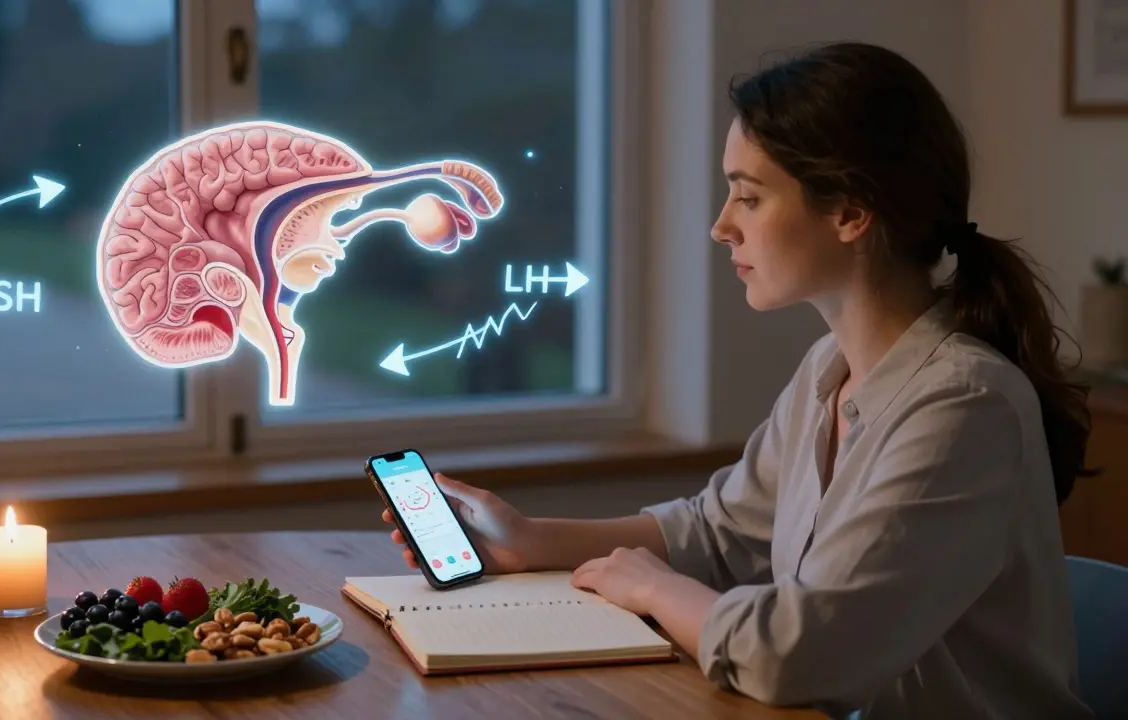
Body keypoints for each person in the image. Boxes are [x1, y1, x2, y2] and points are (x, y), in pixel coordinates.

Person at [380, 41, 1096, 719]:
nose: (722, 227)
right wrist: (531, 539)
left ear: (850, 211)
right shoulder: (830, 371)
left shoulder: (962, 405)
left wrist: (656, 590)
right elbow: (721, 532)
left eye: (748, 198)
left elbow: (803, 653)